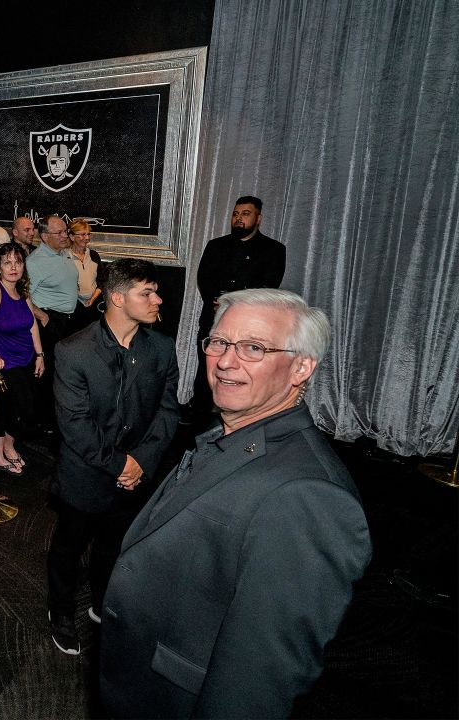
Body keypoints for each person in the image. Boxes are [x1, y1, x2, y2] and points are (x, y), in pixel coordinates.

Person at [100, 288, 371, 717]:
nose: (227, 361)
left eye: (254, 348)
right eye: (220, 342)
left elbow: (260, 677)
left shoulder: (310, 496)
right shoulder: (231, 436)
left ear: (302, 366)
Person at [43, 259, 178, 656]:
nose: (158, 299)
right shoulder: (73, 351)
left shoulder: (162, 347)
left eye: (155, 291)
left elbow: (168, 412)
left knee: (114, 545)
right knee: (69, 548)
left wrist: (142, 462)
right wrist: (122, 465)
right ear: (117, 298)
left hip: (137, 475)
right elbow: (76, 425)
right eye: (147, 293)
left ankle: (102, 601)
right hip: (86, 474)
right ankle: (60, 611)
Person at [191, 196, 286, 422]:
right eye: (235, 214)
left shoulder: (274, 250)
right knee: (207, 370)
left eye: (245, 214)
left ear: (258, 218)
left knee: (240, 371)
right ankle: (199, 416)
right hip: (213, 322)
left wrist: (235, 305)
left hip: (248, 327)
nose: (238, 219)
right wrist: (216, 302)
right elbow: (204, 278)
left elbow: (268, 286)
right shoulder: (216, 245)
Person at [0, 243, 44, 476]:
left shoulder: (22, 289)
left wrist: (40, 354)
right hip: (2, 363)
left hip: (25, 359)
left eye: (18, 262)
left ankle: (9, 447)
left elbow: (32, 323)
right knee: (4, 411)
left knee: (26, 409)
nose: (13, 267)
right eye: (7, 262)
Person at [25, 213, 77, 434]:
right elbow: (22, 296)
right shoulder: (35, 262)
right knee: (46, 375)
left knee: (63, 374)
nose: (65, 235)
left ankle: (56, 418)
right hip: (49, 322)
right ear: (45, 237)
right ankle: (41, 422)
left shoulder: (64, 255)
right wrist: (42, 316)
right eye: (60, 232)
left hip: (67, 321)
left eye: (65, 231)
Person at [66, 218, 105, 331]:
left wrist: (93, 299)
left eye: (88, 234)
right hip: (73, 307)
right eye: (82, 234)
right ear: (72, 237)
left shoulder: (93, 255)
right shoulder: (64, 256)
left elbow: (101, 281)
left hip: (94, 305)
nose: (87, 238)